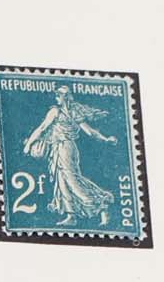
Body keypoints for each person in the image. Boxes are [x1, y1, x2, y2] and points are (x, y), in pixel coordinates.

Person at [21, 89, 120, 223]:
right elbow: (89, 131)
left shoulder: (58, 111)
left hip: (64, 148)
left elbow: (42, 128)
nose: (56, 98)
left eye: (58, 96)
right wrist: (105, 139)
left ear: (65, 97)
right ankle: (71, 215)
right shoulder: (69, 112)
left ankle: (101, 204)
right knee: (62, 180)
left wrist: (28, 145)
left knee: (71, 180)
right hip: (62, 148)